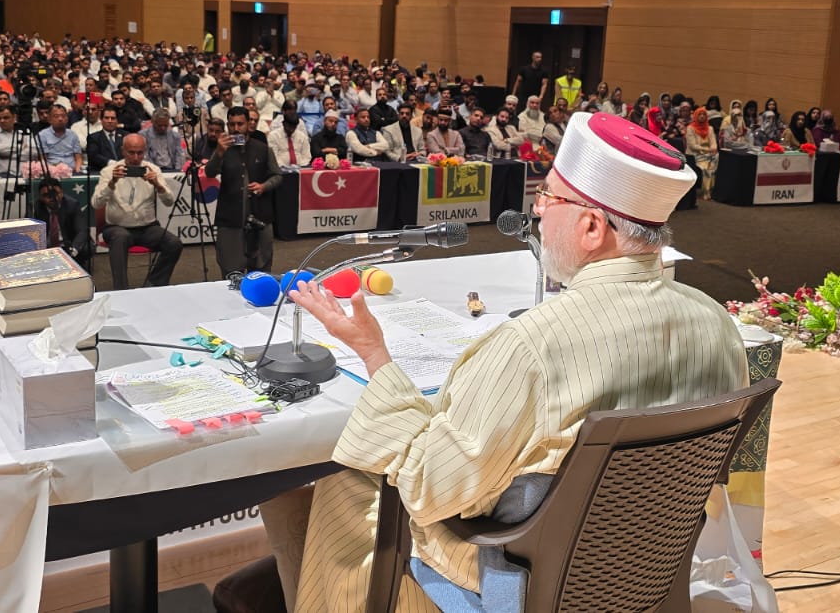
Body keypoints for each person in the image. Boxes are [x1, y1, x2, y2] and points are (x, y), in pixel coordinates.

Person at [258, 112, 744, 612]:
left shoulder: (533, 346)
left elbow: (431, 490)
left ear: (592, 227)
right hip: (639, 580)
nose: (537, 208)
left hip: (520, 589)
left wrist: (373, 353)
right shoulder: (718, 326)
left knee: (350, 482)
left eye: (550, 197)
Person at [93, 133, 183, 289]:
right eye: (131, 152)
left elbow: (169, 202)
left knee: (174, 243)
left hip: (147, 227)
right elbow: (96, 203)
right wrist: (112, 183)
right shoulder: (109, 171)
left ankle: (154, 284)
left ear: (145, 151)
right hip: (116, 227)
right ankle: (121, 290)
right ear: (123, 151)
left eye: (140, 153)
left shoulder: (152, 169)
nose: (136, 158)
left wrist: (158, 185)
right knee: (120, 237)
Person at [205, 107, 281, 275]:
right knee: (230, 269)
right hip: (230, 217)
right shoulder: (222, 149)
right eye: (232, 124)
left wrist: (264, 186)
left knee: (261, 268)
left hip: (260, 215)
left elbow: (277, 176)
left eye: (240, 124)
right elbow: (209, 173)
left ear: (249, 124)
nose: (236, 128)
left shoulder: (263, 148)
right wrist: (218, 153)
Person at [33, 181, 92, 269]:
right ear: (40, 197)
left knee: (87, 246)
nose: (52, 198)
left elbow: (82, 230)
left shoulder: (72, 204)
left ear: (62, 193)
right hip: (46, 248)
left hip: (67, 245)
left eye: (55, 193)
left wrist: (73, 250)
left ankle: (79, 264)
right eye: (46, 195)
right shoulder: (36, 207)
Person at [0, 106, 34, 176]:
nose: (2, 121)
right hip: (1, 175)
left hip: (24, 174)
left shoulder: (23, 131)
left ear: (14, 117)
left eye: (6, 118)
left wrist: (7, 155)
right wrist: (21, 146)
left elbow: (33, 152)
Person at [37, 104, 83, 172]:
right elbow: (43, 159)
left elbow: (78, 158)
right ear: (49, 119)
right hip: (51, 172)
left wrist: (77, 172)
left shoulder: (73, 135)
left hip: (72, 171)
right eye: (56, 116)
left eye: (63, 116)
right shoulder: (42, 135)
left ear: (67, 118)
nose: (60, 119)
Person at [685, 107, 719, 198]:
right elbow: (693, 146)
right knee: (708, 167)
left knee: (715, 160)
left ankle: (711, 189)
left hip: (708, 154)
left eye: (704, 114)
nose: (702, 116)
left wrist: (713, 149)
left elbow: (713, 143)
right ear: (696, 116)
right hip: (694, 154)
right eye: (700, 114)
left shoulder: (710, 128)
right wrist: (708, 150)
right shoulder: (690, 128)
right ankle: (706, 191)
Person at [85, 105, 125, 173]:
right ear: (101, 120)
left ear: (117, 120)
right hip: (102, 171)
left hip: (124, 171)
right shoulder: (93, 137)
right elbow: (94, 156)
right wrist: (112, 163)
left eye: (113, 118)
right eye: (106, 118)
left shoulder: (126, 136)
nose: (110, 121)